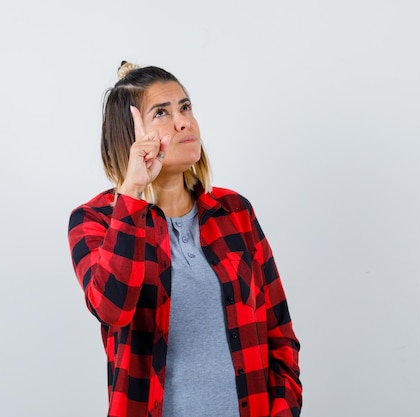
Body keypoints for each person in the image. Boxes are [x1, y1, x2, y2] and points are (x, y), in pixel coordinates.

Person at [67, 61, 302, 417]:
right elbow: (112, 309)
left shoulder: (235, 212)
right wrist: (131, 192)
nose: (182, 122)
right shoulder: (94, 220)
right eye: (161, 113)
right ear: (128, 136)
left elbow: (279, 332)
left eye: (185, 107)